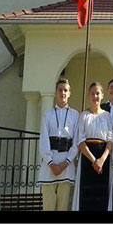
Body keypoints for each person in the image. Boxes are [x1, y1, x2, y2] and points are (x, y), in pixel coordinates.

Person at [37, 78, 80, 211]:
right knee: (48, 206)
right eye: (60, 90)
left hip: (66, 166)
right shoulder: (48, 115)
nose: (63, 93)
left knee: (63, 207)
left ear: (69, 93)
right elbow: (44, 140)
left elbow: (77, 141)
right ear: (55, 93)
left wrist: (66, 163)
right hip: (49, 166)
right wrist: (51, 163)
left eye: (65, 90)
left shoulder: (75, 115)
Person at [72, 82, 113, 211]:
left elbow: (111, 140)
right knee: (87, 197)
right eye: (92, 93)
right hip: (87, 161)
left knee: (102, 196)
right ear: (89, 96)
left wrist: (101, 160)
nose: (95, 96)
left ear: (102, 96)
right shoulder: (83, 116)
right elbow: (81, 141)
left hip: (104, 162)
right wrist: (94, 160)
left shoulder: (107, 116)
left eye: (97, 93)